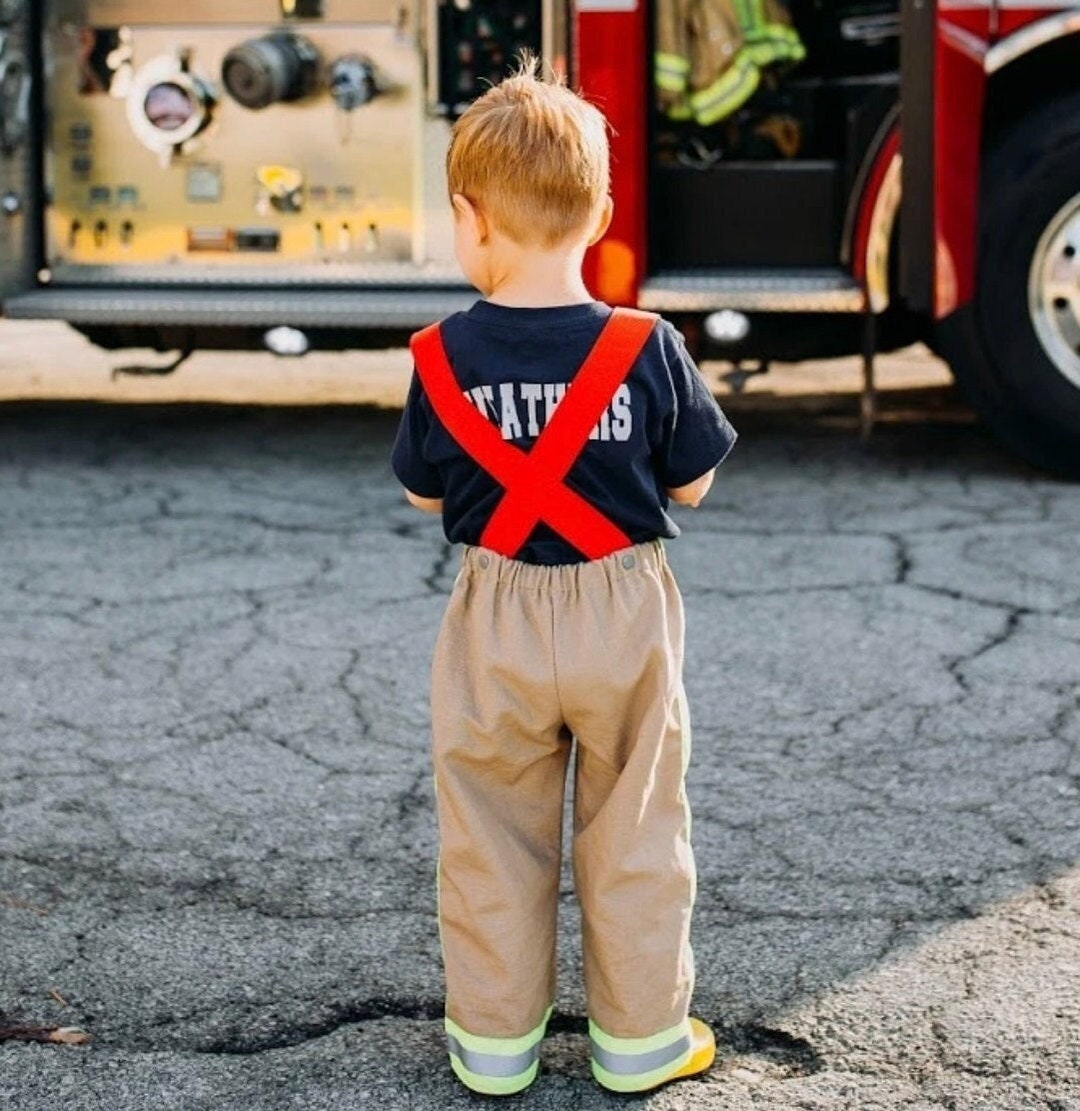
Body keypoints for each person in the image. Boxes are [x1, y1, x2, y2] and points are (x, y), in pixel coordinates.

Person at [390, 56, 737, 1096]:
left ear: (470, 220)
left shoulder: (440, 356)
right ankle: (641, 1038)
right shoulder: (647, 345)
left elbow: (421, 493)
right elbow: (694, 482)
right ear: (602, 216)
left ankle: (496, 1042)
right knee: (636, 822)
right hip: (620, 606)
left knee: (490, 828)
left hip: (495, 610)